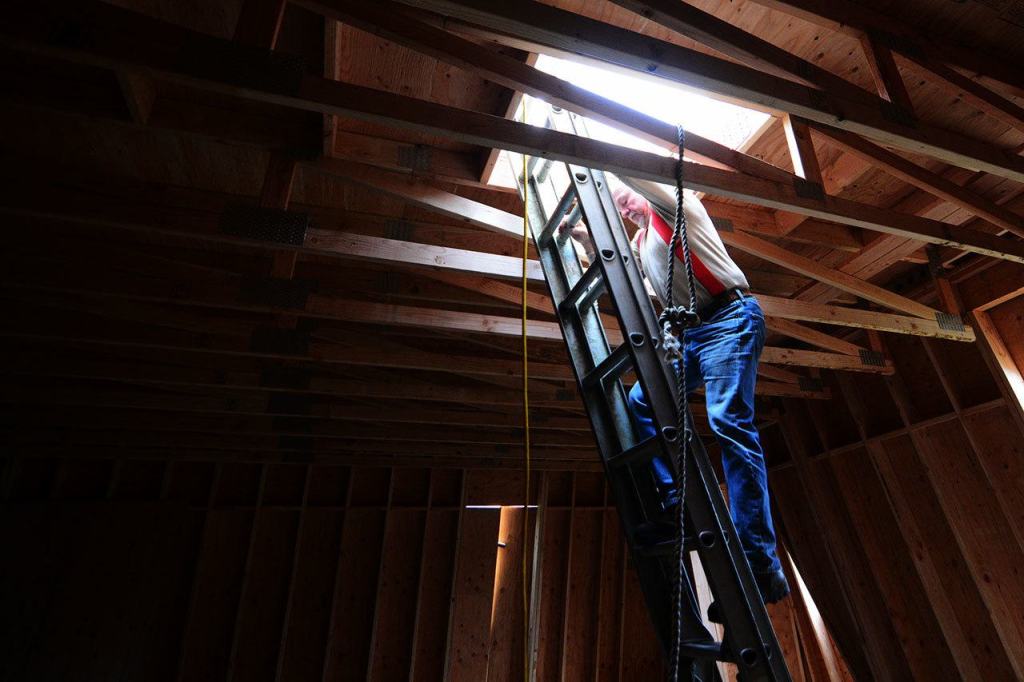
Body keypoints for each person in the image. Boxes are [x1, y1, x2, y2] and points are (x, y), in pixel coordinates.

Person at [569, 175, 789, 604]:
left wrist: (589, 142)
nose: (628, 208)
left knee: (728, 421)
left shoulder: (674, 209)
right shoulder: (643, 240)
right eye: (619, 207)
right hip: (691, 336)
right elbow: (626, 275)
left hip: (729, 317)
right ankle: (678, 507)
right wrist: (586, 238)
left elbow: (631, 168)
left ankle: (761, 562)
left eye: (627, 197)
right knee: (640, 403)